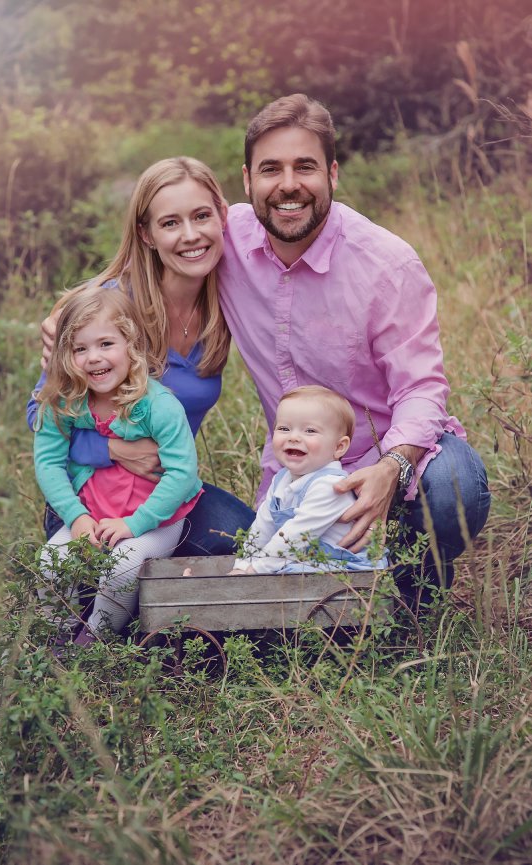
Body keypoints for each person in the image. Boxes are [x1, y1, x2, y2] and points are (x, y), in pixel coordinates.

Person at [218, 93, 490, 599]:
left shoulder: (386, 263)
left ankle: (412, 593)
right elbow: (151, 243)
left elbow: (421, 388)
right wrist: (77, 312)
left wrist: (391, 468)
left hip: (391, 456)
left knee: (455, 487)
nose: (289, 184)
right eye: (271, 169)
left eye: (305, 167)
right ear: (247, 180)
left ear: (333, 174)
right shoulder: (223, 238)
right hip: (297, 468)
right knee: (231, 548)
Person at [30, 157, 255, 554]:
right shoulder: (108, 310)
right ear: (146, 234)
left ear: (222, 216)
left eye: (201, 216)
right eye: (170, 223)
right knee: (104, 579)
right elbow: (40, 414)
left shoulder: (228, 301)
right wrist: (112, 449)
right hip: (90, 493)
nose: (190, 235)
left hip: (163, 493)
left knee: (246, 539)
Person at [34, 285, 204, 651]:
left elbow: (182, 473)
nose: (94, 358)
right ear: (65, 355)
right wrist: (76, 517)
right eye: (80, 349)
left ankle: (98, 639)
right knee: (50, 560)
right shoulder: (64, 403)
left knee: (123, 565)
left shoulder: (159, 405)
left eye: (106, 344)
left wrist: (134, 524)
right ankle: (58, 635)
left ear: (132, 345)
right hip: (93, 512)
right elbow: (48, 462)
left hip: (156, 517)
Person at [229, 386, 388, 574]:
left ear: (339, 447)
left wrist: (255, 570)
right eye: (284, 428)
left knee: (283, 572)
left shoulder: (330, 486)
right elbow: (262, 528)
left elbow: (294, 536)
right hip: (302, 558)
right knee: (282, 569)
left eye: (310, 431)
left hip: (346, 566)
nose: (294, 437)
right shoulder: (281, 479)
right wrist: (242, 564)